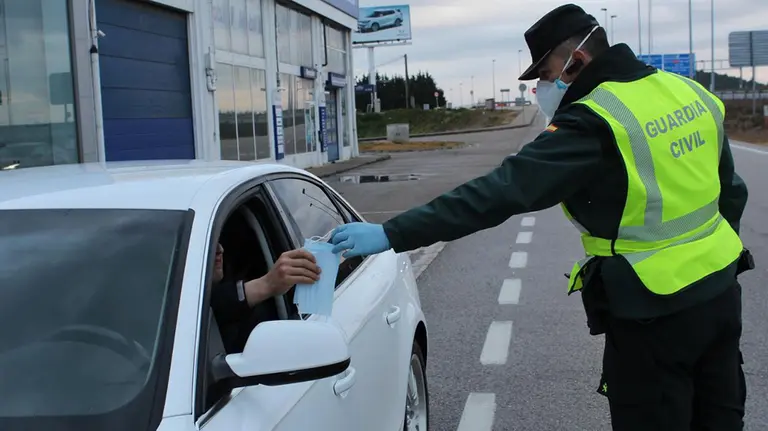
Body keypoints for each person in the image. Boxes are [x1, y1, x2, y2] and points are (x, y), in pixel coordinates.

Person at [329, 4, 754, 430]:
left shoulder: (593, 120)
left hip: (652, 311)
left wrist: (392, 232)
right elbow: (731, 192)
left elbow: (499, 191)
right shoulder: (689, 92)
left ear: (577, 61)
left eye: (547, 75)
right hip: (720, 297)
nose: (542, 88)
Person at [209, 242, 321, 353]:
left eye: (219, 241)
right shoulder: (211, 314)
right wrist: (267, 284)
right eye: (207, 245)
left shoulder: (258, 310)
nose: (220, 249)